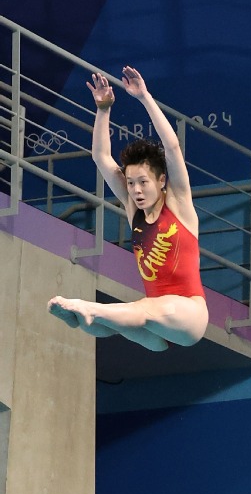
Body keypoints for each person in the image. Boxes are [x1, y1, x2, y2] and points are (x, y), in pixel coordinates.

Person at [47, 67, 208, 351]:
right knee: (121, 324)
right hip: (154, 324)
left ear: (161, 180)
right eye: (131, 182)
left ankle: (89, 309)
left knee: (142, 310)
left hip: (189, 315)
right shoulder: (134, 209)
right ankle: (81, 319)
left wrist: (144, 97)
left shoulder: (179, 203)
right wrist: (103, 109)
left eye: (143, 182)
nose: (135, 189)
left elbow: (172, 148)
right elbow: (100, 156)